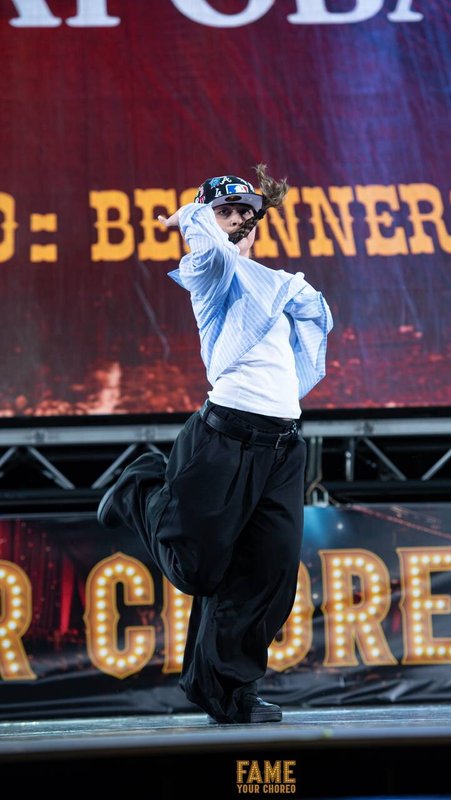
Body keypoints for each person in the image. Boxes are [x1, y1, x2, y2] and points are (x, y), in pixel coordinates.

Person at [97, 165, 333, 724]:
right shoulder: (209, 273)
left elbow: (310, 324)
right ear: (208, 220)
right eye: (223, 213)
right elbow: (213, 255)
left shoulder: (272, 285)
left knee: (268, 576)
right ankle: (140, 488)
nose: (236, 222)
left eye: (244, 214)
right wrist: (192, 220)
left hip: (282, 448)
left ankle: (227, 691)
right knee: (196, 571)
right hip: (225, 438)